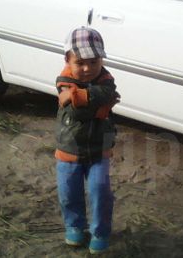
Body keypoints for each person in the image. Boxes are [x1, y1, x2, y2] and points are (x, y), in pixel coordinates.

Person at [55, 26, 119, 254]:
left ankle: (100, 232)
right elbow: (75, 113)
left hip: (99, 148)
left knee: (100, 189)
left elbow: (109, 93)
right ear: (67, 59)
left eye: (94, 62)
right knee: (68, 191)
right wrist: (100, 107)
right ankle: (74, 226)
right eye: (80, 62)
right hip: (69, 147)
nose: (87, 68)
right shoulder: (63, 80)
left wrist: (81, 96)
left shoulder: (107, 79)